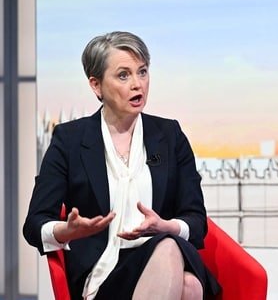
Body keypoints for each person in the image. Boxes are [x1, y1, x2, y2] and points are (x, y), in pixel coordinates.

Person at [23, 31, 219, 299]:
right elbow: (34, 223)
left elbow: (196, 221)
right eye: (124, 75)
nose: (138, 84)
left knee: (171, 253)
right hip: (104, 270)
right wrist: (65, 231)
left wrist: (166, 226)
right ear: (96, 85)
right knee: (189, 287)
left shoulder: (170, 135)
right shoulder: (69, 140)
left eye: (143, 72)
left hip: (165, 251)